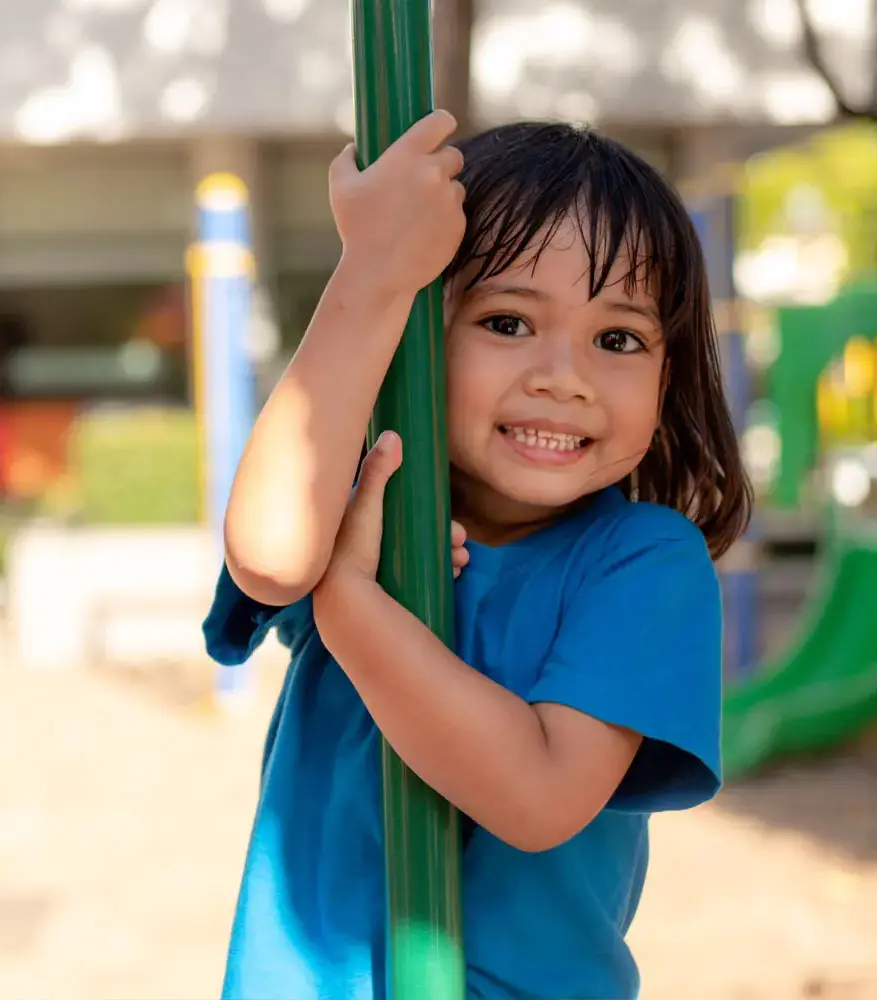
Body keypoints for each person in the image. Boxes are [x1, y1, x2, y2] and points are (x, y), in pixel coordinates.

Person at [203, 110, 751, 999]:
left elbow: (537, 796)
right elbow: (268, 557)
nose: (562, 376)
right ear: (420, 337)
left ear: (670, 374)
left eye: (618, 340)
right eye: (506, 322)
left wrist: (352, 607)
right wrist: (371, 276)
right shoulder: (363, 515)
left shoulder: (642, 564)